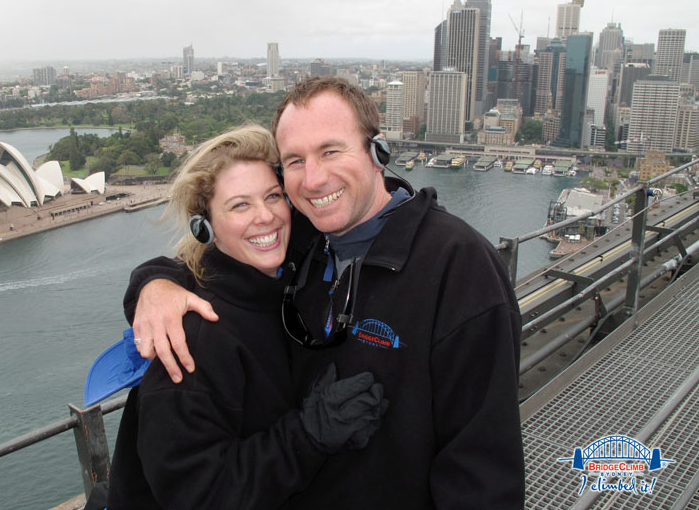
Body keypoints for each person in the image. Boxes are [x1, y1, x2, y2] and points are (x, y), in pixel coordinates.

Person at [126, 78, 525, 509]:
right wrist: (153, 285)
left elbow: (484, 469)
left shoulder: (458, 267)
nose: (314, 180)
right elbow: (223, 263)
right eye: (295, 160)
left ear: (378, 151)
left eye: (331, 151)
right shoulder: (306, 237)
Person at [105, 125, 388, 510]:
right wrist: (308, 435)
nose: (266, 217)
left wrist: (153, 279)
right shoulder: (192, 340)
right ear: (205, 227)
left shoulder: (286, 279)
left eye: (273, 196)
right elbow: (198, 494)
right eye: (239, 205)